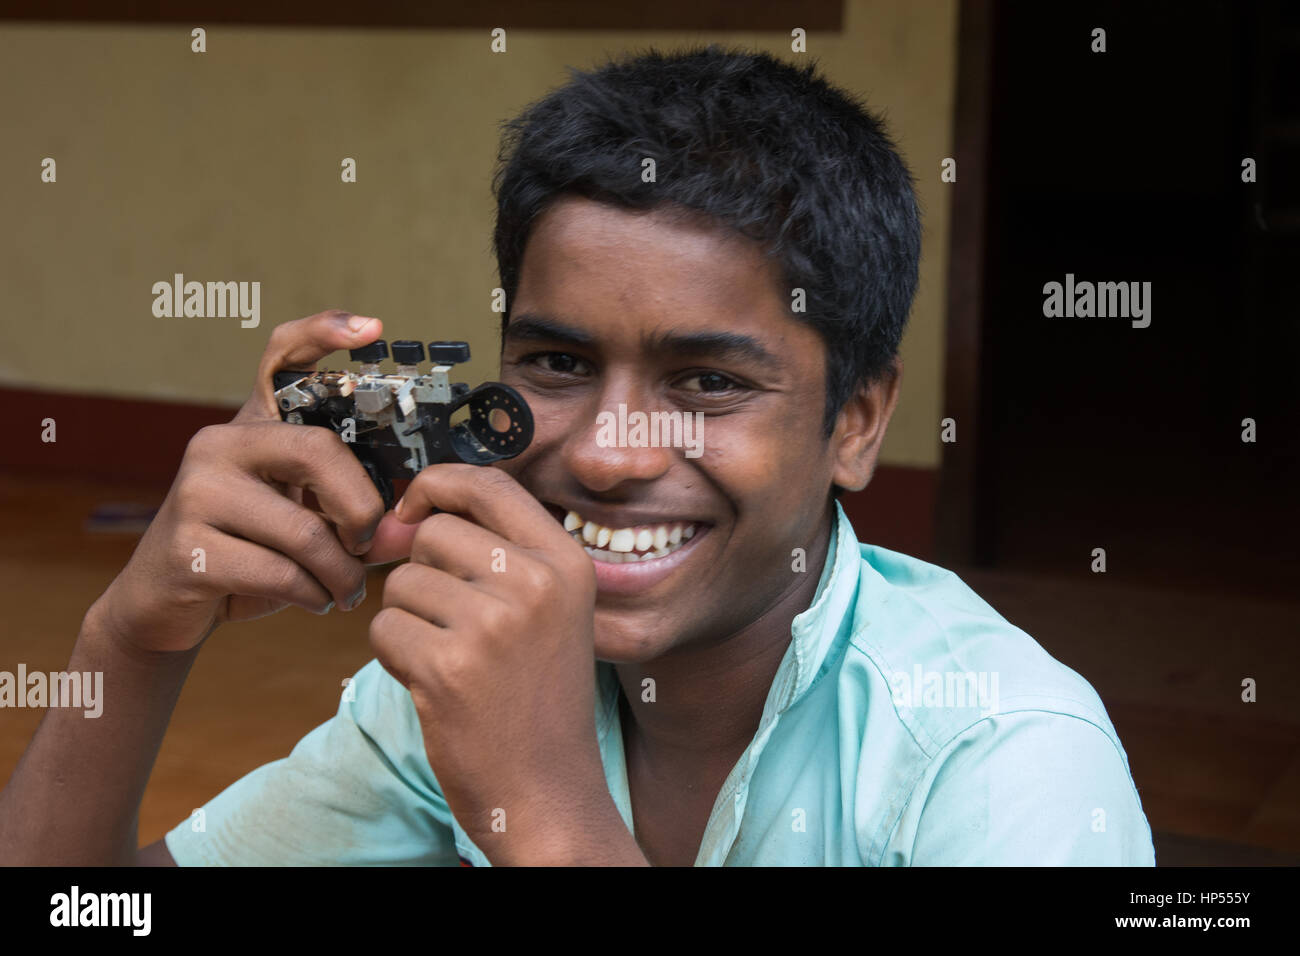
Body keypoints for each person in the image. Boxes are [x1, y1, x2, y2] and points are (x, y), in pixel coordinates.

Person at [0, 46, 1155, 866]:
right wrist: (131, 636)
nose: (605, 456)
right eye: (555, 365)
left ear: (855, 421)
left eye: (707, 381)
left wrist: (541, 805)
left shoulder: (1002, 765)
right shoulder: (454, 687)